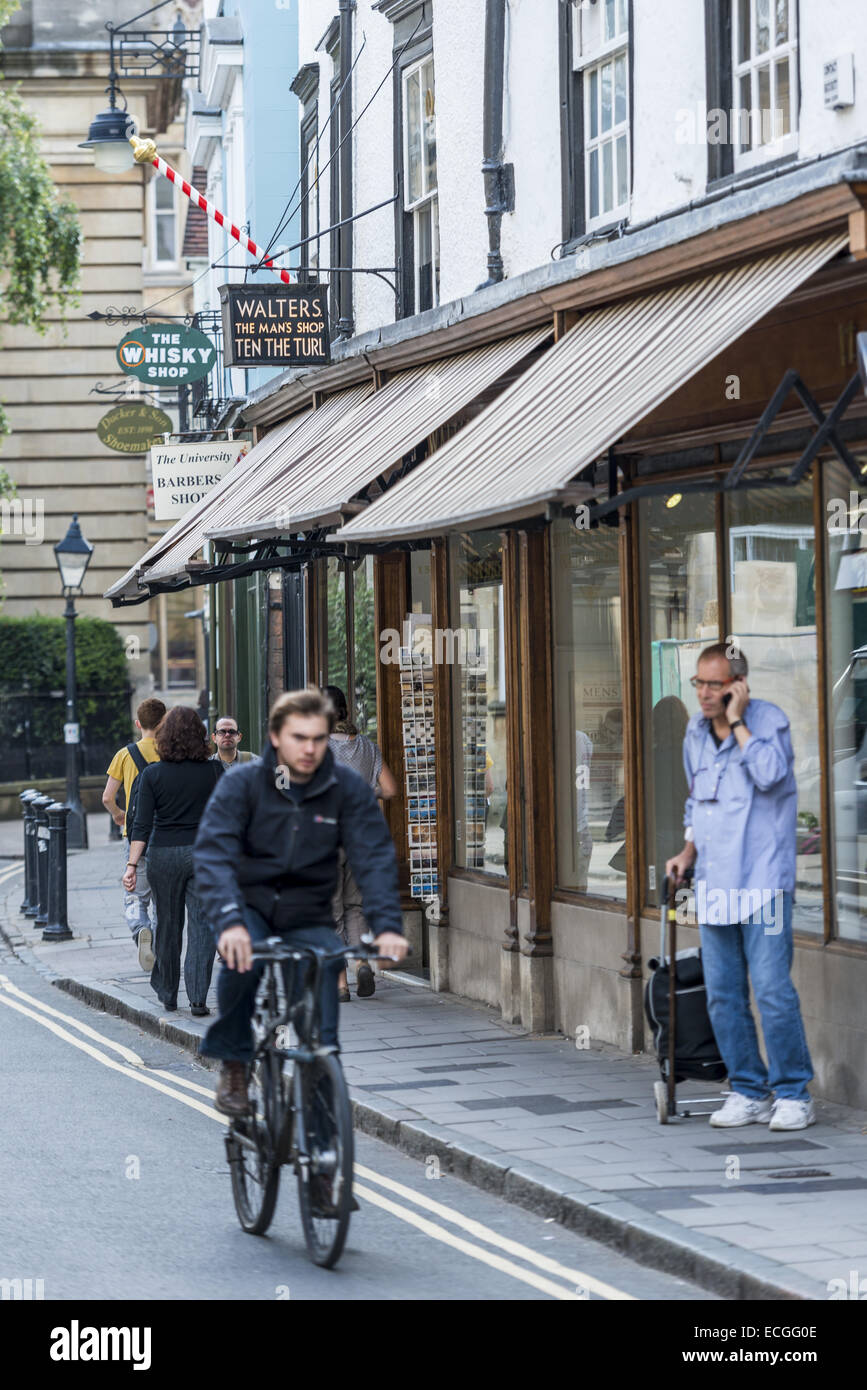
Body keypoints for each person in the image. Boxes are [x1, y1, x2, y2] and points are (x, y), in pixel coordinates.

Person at [192, 687, 408, 1117]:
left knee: (324, 995)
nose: (309, 749)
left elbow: (374, 855)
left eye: (318, 738)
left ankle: (322, 1113)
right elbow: (212, 853)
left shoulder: (343, 786)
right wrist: (229, 920)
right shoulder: (242, 784)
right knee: (242, 962)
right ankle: (235, 1064)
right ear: (276, 738)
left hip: (308, 912)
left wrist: (386, 923)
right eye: (298, 738)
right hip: (251, 906)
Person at [665, 643, 815, 1131]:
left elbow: (772, 777)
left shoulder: (768, 722)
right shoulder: (693, 732)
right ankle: (749, 1089)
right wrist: (687, 853)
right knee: (723, 994)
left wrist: (740, 722)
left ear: (738, 686)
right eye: (700, 684)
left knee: (771, 989)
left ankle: (793, 1093)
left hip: (763, 884)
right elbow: (696, 800)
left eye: (715, 684)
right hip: (714, 885)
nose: (705, 694)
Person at [123, 707, 221, 1017]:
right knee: (202, 926)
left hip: (163, 855)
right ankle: (197, 998)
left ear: (164, 737)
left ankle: (168, 992)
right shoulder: (215, 771)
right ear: (200, 735)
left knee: (167, 924)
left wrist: (131, 866)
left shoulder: (152, 774)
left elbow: (141, 825)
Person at [323, 685, 398, 1001]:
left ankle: (341, 985)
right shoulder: (368, 747)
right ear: (346, 712)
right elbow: (391, 789)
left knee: (331, 911)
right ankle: (362, 963)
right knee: (356, 907)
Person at [103, 698, 166, 972]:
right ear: (163, 723)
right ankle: (164, 949)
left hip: (135, 837)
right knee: (165, 899)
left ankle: (141, 929)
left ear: (138, 724)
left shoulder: (125, 754)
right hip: (166, 835)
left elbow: (106, 797)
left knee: (135, 895)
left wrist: (119, 814)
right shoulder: (170, 751)